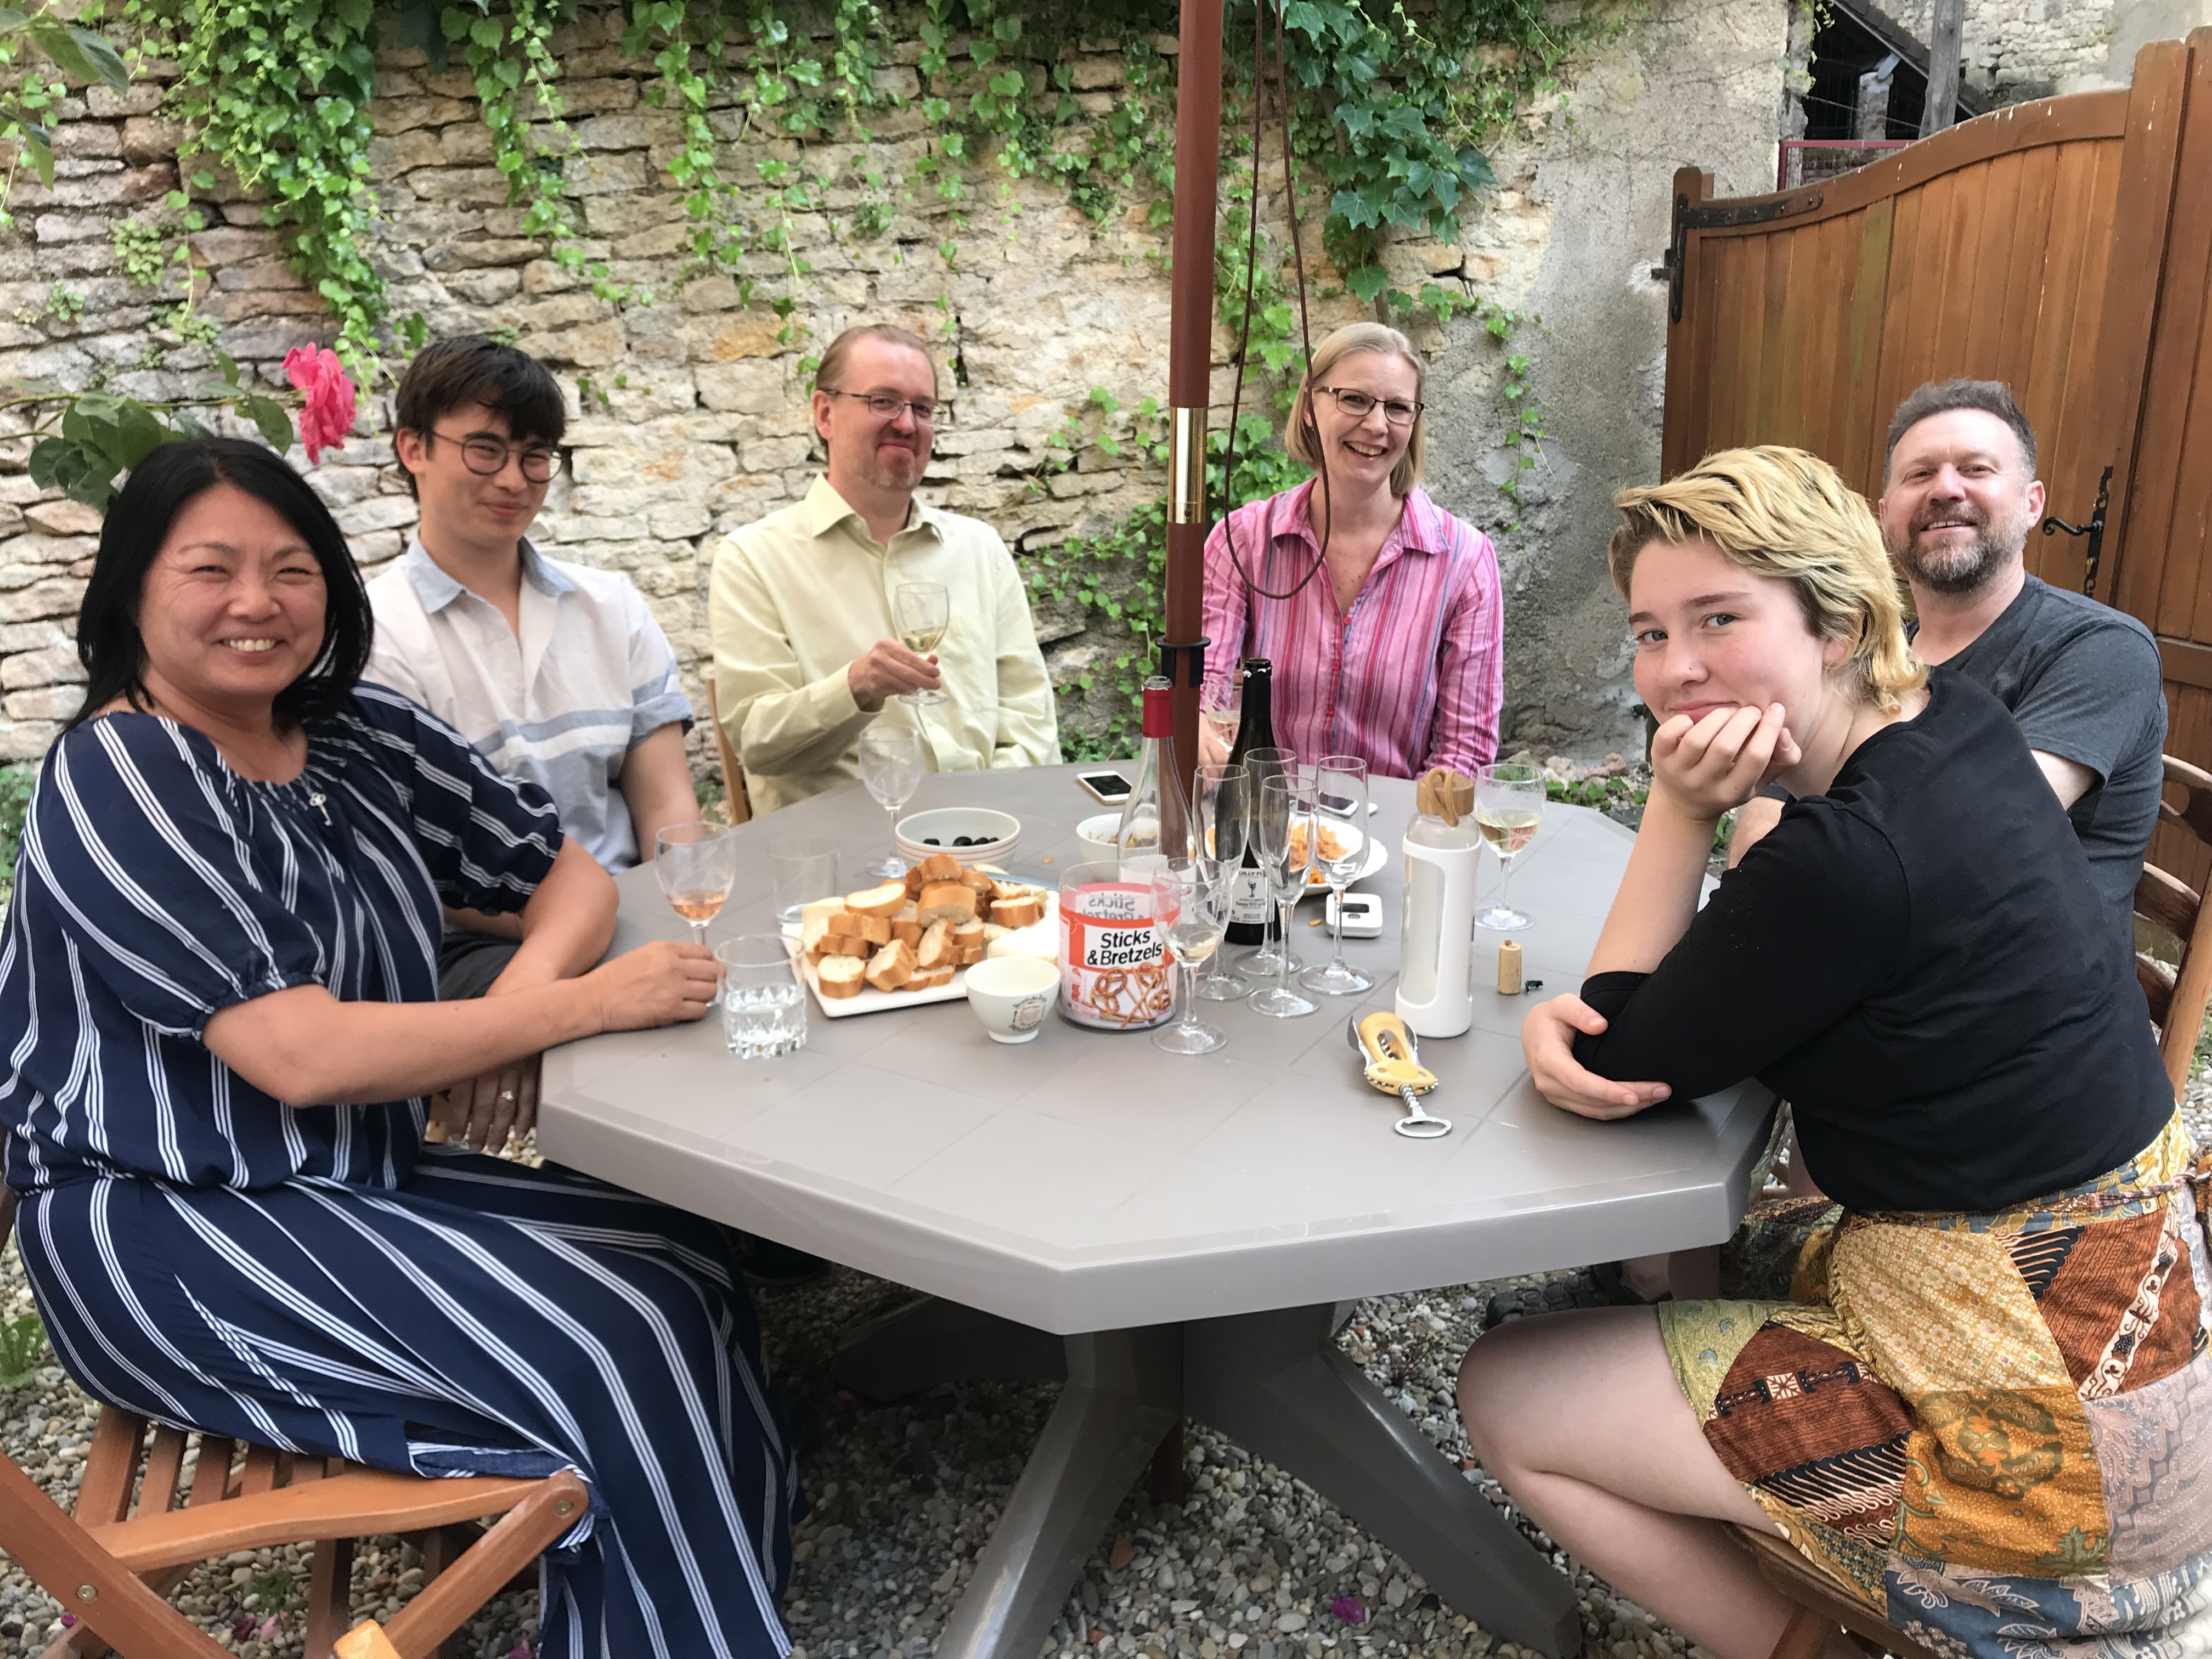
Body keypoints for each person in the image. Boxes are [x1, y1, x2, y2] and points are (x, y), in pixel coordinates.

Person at [0, 439, 796, 1659]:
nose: (257, 603)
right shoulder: (124, 772)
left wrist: (509, 1007)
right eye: (211, 569)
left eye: (292, 569)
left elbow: (571, 875)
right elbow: (301, 1055)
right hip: (167, 1223)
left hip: (347, 1173)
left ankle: (698, 1593)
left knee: (684, 1252)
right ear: (129, 593)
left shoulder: (356, 731)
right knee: (614, 1334)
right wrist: (576, 1007)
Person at [1461, 446, 2208, 1659]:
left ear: (1842, 623)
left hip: (2044, 1470)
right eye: (1651, 633)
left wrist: (1681, 808)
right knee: (1674, 1264)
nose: (1676, 670)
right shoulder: (1956, 726)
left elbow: (1619, 1055)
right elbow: (1752, 988)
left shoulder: (1845, 861)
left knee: (1505, 1390)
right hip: (2136, 1335)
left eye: (1720, 619)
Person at [1728, 379, 2164, 939]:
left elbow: (1965, 845)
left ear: (2032, 505)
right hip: (1860, 957)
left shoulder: (2100, 651)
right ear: (1886, 515)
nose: (1946, 489)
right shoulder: (1868, 652)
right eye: (1920, 474)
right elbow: (1764, 818)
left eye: (1977, 469)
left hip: (2007, 996)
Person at [364, 337, 699, 1005]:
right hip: (472, 938)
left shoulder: (611, 608)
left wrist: (684, 917)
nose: (514, 480)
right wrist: (577, 935)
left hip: (634, 910)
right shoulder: (375, 636)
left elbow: (667, 805)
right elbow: (411, 863)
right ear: (414, 449)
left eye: (535, 456)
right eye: (485, 450)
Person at [708, 323, 1058, 815]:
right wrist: (855, 687)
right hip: (845, 864)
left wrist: (976, 823)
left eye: (923, 408)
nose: (907, 424)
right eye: (883, 401)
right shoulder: (753, 560)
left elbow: (1031, 722)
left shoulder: (979, 550)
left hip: (986, 843)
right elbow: (757, 741)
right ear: (824, 414)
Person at [1197, 321, 1502, 779]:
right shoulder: (1243, 541)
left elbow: (1464, 755)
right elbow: (1204, 698)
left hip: (1394, 836)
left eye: (1398, 407)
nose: (1377, 425)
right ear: (1308, 407)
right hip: (1265, 830)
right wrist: (1199, 728)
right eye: (1354, 399)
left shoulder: (1465, 560)